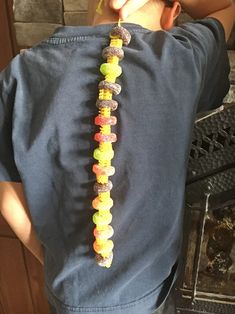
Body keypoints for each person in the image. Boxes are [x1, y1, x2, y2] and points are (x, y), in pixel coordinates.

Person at [0, 0, 234, 313]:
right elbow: (226, 8)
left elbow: (6, 195)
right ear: (173, 12)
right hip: (151, 297)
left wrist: (55, 260)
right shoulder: (183, 57)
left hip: (69, 295)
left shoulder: (18, 73)